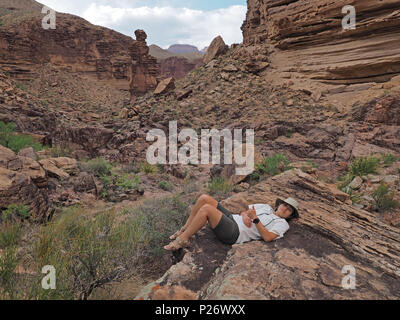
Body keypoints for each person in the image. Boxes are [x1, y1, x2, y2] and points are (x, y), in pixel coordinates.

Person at [164, 194, 300, 251]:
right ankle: (184, 229)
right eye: (284, 205)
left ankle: (183, 239)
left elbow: (268, 237)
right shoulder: (266, 207)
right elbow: (245, 211)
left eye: (288, 210)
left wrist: (256, 220)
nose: (284, 209)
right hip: (233, 219)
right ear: (279, 204)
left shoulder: (282, 223)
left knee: (207, 209)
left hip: (235, 233)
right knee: (204, 198)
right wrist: (246, 216)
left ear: (290, 215)